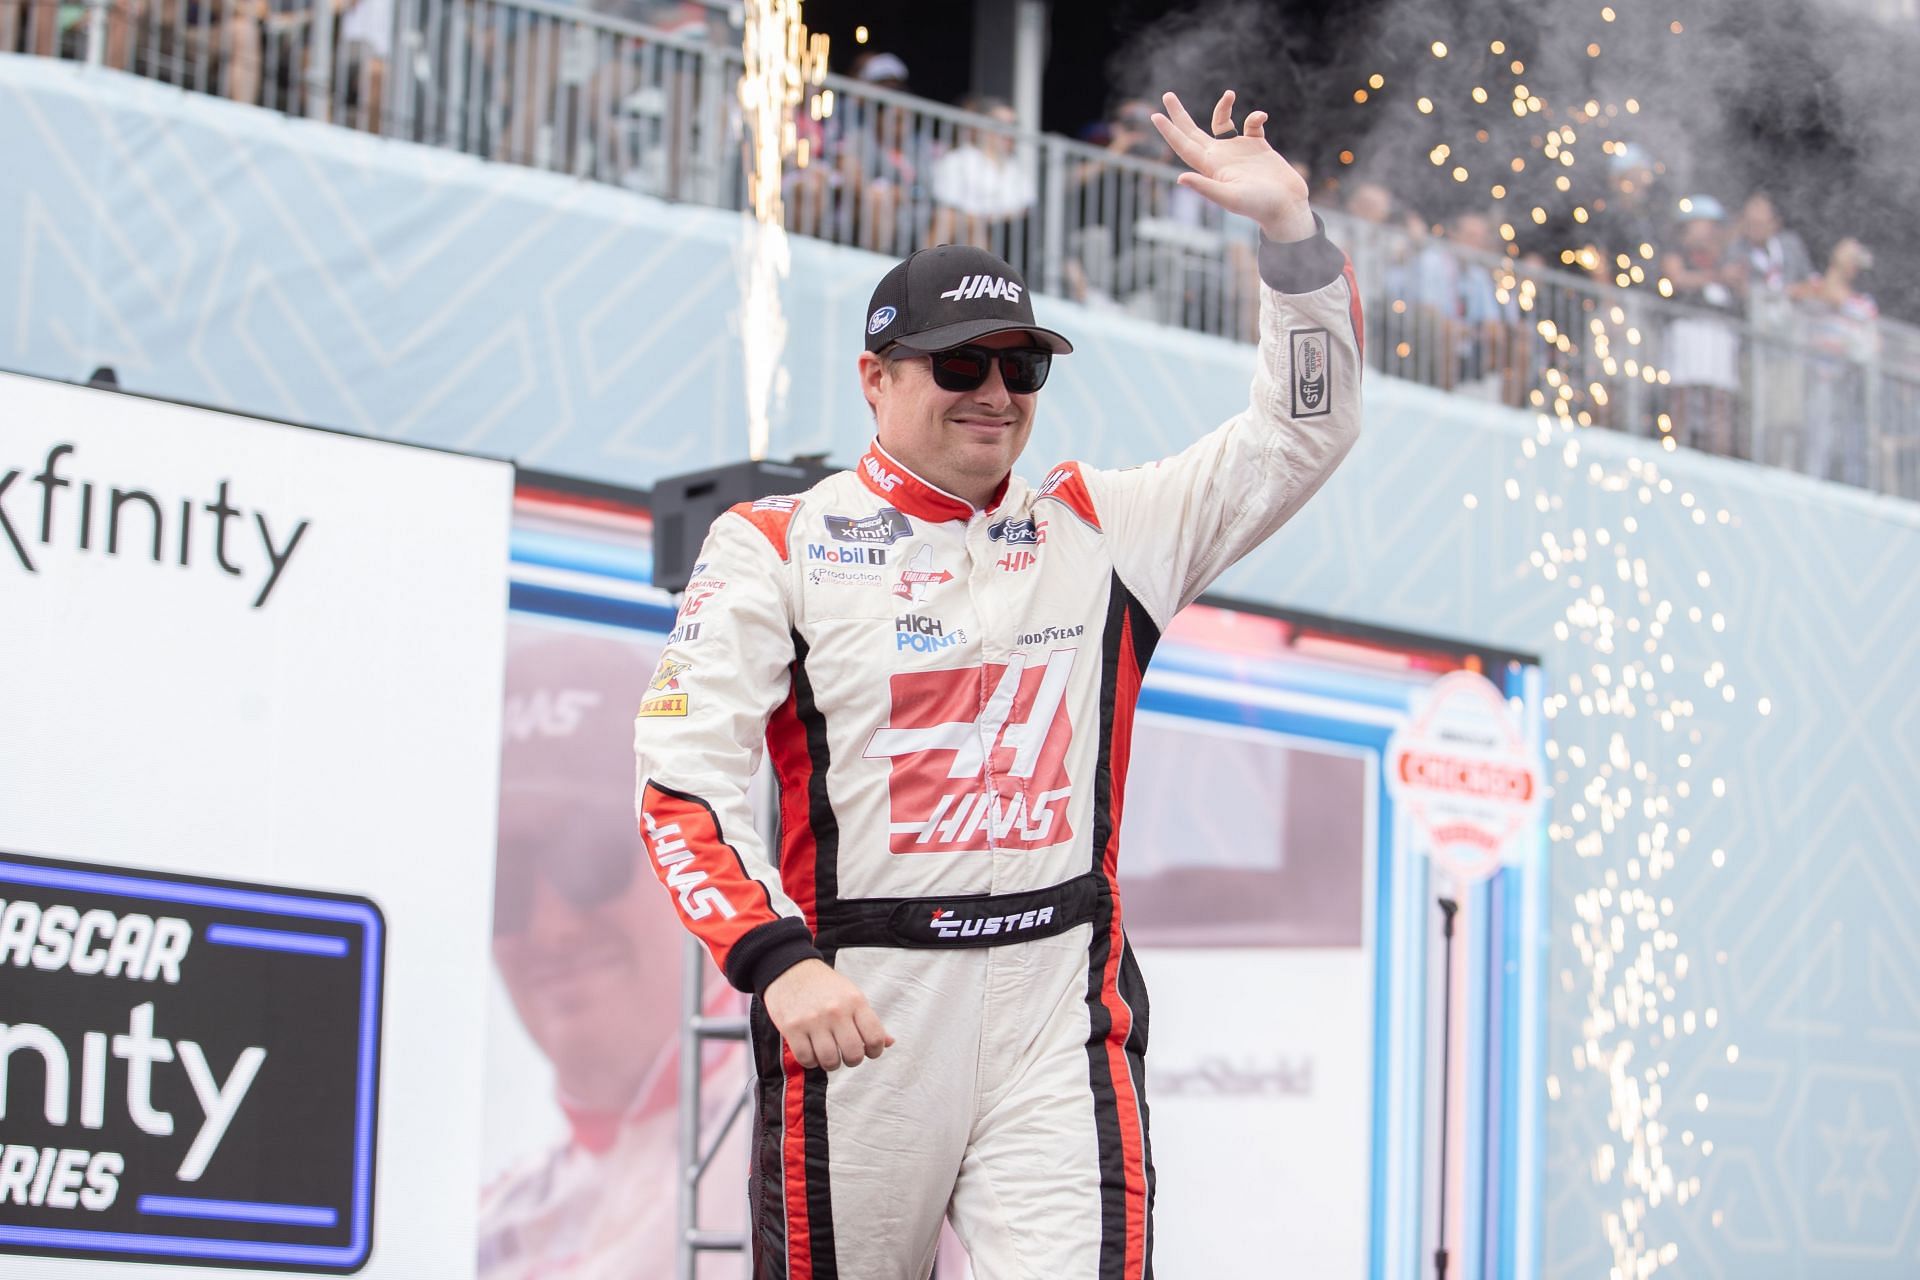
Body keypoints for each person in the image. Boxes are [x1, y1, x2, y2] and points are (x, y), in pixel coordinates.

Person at [631, 88, 1362, 1277]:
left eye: (1022, 364)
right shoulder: (774, 540)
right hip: (864, 1010)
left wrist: (1294, 243)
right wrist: (775, 955)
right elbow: (681, 781)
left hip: (1057, 1009)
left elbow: (1302, 434)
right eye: (958, 362)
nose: (995, 390)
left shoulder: (1102, 525)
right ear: (876, 378)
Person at [482, 629, 744, 1278]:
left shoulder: (830, 1130)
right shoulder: (490, 1226)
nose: (552, 926)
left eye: (588, 856)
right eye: (507, 876)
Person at [1800, 237, 1879, 487]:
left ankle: (1850, 485)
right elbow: (1810, 293)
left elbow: (1873, 339)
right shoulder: (1816, 286)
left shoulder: (1863, 303)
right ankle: (1812, 482)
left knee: (1849, 440)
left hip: (1849, 381)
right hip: (1819, 376)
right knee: (1818, 436)